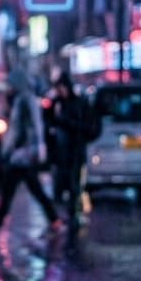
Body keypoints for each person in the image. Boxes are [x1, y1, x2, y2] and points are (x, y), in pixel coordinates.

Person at [0, 80, 63, 239]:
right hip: (25, 157)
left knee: (9, 194)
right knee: (34, 191)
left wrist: (8, 151)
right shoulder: (26, 101)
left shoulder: (22, 102)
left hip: (20, 158)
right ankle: (55, 220)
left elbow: (20, 131)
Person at [43, 73, 93, 230]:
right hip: (61, 152)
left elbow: (80, 126)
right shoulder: (57, 103)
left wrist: (61, 120)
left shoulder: (77, 103)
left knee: (74, 184)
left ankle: (73, 215)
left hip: (75, 151)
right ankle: (66, 215)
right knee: (62, 184)